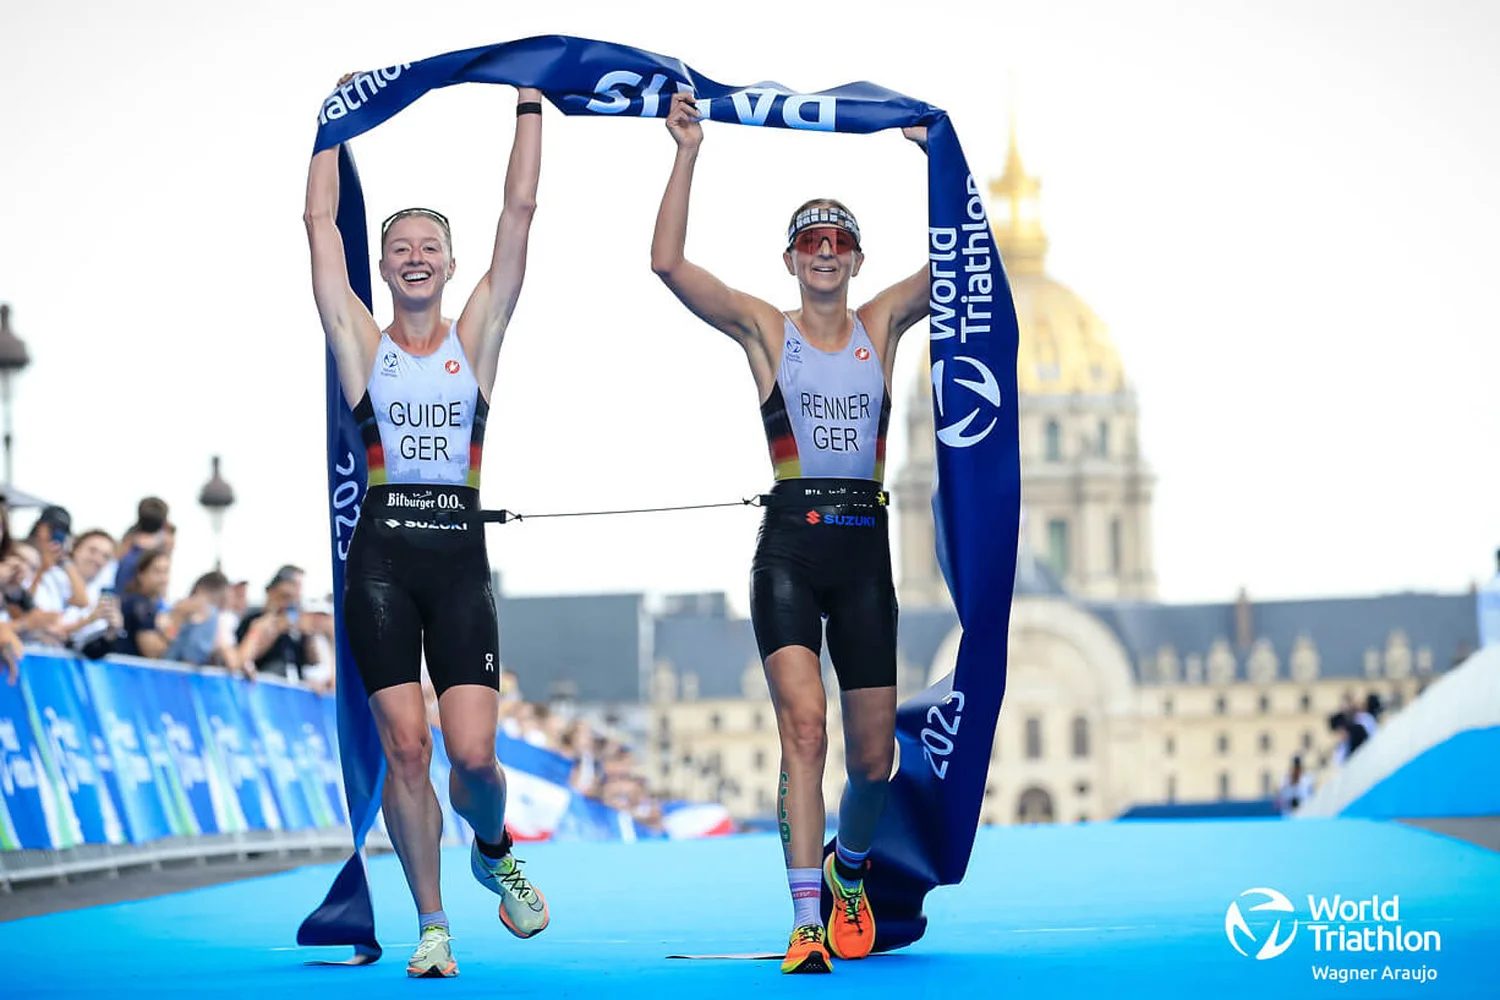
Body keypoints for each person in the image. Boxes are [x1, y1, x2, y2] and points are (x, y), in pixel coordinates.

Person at [651, 90, 931, 974]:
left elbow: (975, 261)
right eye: (810, 242)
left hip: (864, 555)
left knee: (875, 760)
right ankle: (807, 919)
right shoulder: (765, 330)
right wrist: (687, 151)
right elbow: (666, 264)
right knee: (804, 733)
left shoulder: (881, 323)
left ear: (854, 259)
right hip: (790, 549)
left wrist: (939, 159)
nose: (823, 254)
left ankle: (850, 870)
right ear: (790, 259)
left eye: (837, 242)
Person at [303, 76, 546, 979]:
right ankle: (433, 924)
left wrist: (529, 99)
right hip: (380, 564)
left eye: (429, 247)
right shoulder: (359, 342)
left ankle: (492, 849)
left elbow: (518, 217)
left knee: (473, 757)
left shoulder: (474, 337)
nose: (413, 257)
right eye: (399, 247)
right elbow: (319, 230)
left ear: (447, 266)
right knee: (408, 747)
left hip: (458, 564)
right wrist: (330, 127)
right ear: (387, 263)